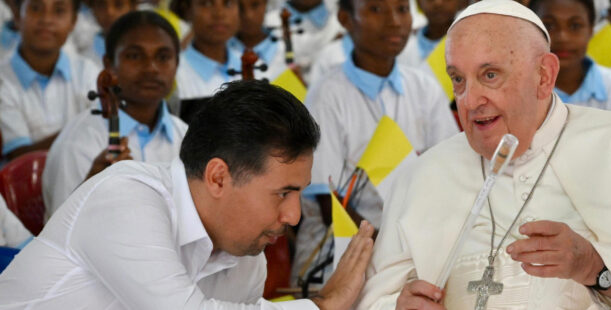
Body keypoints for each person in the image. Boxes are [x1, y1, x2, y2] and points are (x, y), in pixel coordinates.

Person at [358, 1, 611, 309]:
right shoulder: (424, 174)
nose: (469, 99)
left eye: (490, 75)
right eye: (458, 79)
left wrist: (596, 267)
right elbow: (376, 298)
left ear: (544, 75)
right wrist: (397, 305)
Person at [0, 80, 376, 310]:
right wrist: (322, 306)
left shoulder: (247, 256)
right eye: (283, 193)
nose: (294, 216)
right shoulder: (126, 196)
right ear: (217, 178)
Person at [294, 0, 458, 290]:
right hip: (340, 250)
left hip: (414, 245)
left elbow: (450, 174)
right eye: (377, 9)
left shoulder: (424, 87)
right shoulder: (328, 94)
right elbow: (328, 205)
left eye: (402, 9)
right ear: (345, 18)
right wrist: (390, 247)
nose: (394, 21)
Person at [42, 11, 188, 219]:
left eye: (163, 57)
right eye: (134, 56)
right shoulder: (79, 143)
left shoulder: (186, 136)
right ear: (109, 65)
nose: (151, 68)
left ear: (177, 64)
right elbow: (59, 234)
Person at [0, 0, 99, 161]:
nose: (46, 19)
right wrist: (82, 129)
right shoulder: (3, 80)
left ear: (73, 22)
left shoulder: (88, 72)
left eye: (59, 11)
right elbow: (20, 156)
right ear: (18, 17)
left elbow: (101, 136)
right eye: (36, 8)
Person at [530, 0, 611, 112]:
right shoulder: (516, 88)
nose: (563, 37)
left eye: (575, 26)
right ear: (530, 29)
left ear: (591, 30)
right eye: (549, 26)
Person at [173, 0, 240, 103]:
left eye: (228, 3)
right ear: (188, 10)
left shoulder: (256, 66)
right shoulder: (174, 74)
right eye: (206, 3)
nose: (219, 14)